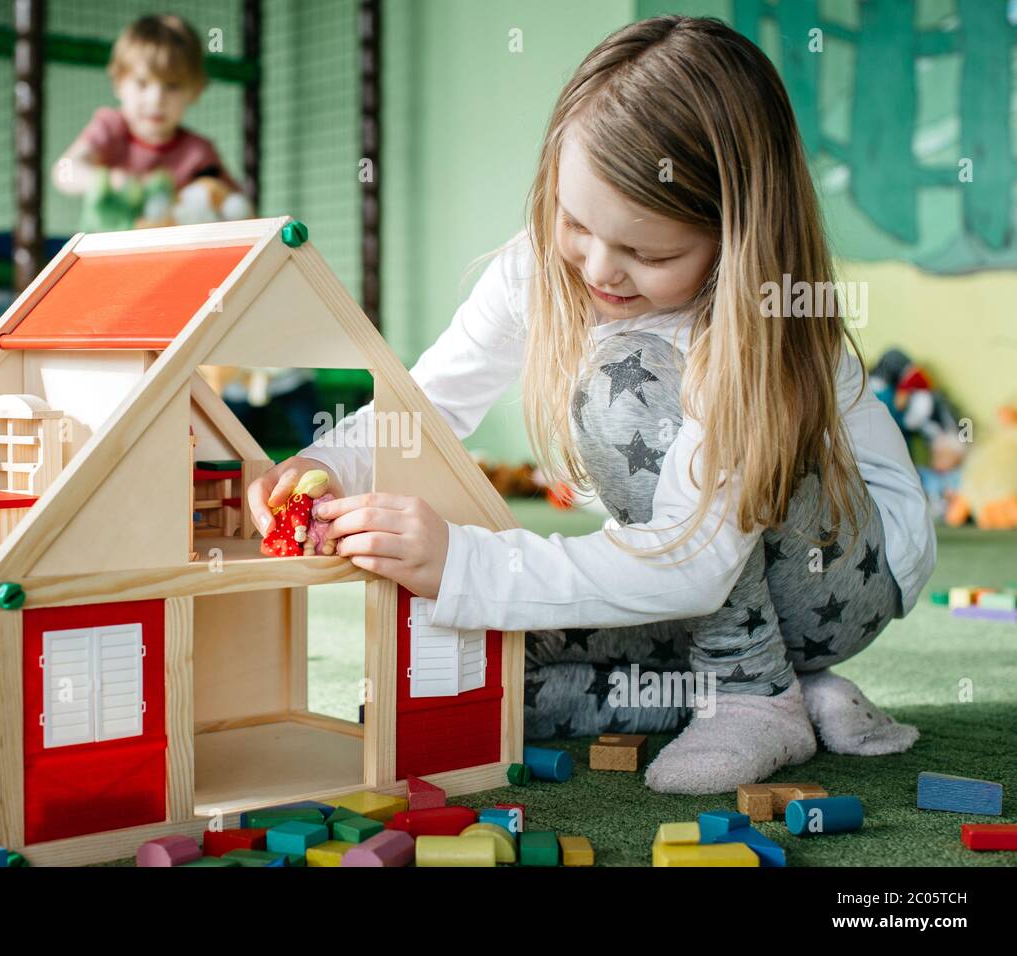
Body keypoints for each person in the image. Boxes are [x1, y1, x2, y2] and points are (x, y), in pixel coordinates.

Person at [247, 16, 935, 795]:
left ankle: (754, 697)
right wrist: (323, 462)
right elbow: (429, 402)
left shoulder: (755, 322)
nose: (600, 268)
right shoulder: (540, 267)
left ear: (733, 239)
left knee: (625, 383)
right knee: (491, 672)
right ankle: (794, 694)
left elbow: (695, 565)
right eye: (576, 223)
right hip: (701, 574)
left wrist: (462, 560)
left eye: (652, 253)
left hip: (837, 575)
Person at [51, 14, 246, 231]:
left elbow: (234, 205)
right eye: (142, 83)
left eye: (172, 86)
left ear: (195, 91)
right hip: (111, 250)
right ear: (118, 83)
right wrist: (110, 180)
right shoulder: (111, 127)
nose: (156, 99)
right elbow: (63, 170)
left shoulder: (198, 153)